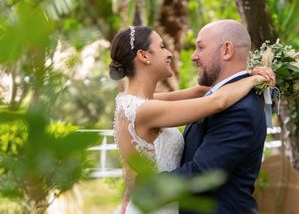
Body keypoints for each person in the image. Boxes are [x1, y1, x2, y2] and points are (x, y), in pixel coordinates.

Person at [110, 24, 274, 214]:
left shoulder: (134, 101)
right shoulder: (143, 109)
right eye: (162, 47)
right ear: (143, 56)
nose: (170, 53)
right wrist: (252, 79)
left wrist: (246, 74)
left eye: (201, 47)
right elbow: (218, 101)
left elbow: (201, 92)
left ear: (227, 50)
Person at [172, 20, 269, 214]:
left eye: (200, 47)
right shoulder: (219, 95)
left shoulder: (241, 108)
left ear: (226, 50)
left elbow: (201, 175)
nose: (193, 56)